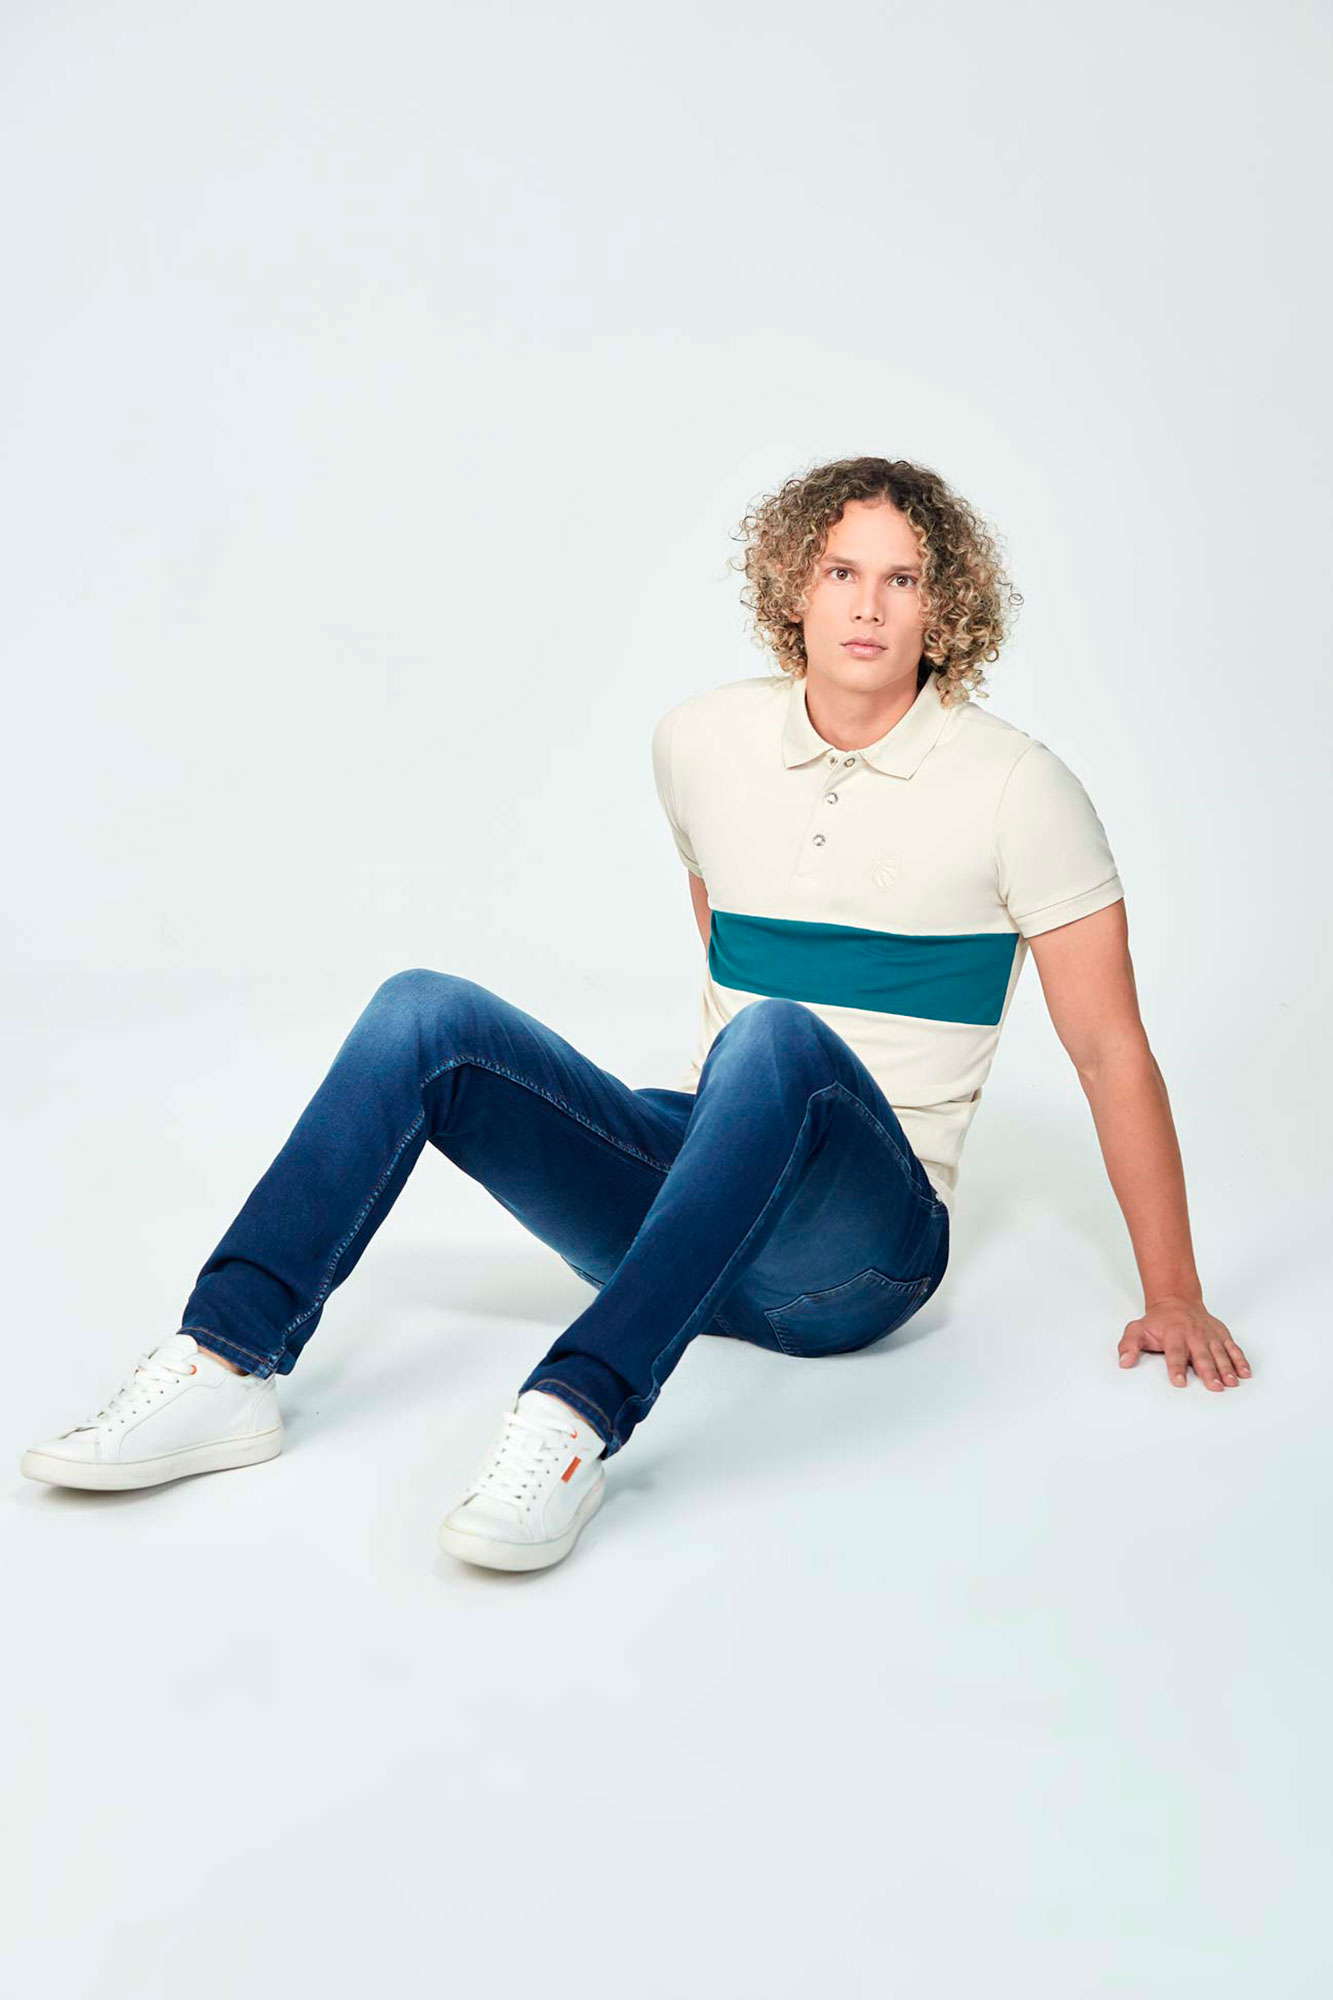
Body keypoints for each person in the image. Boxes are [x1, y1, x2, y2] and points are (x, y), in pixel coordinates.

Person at [20, 454, 1250, 1570]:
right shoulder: (699, 743)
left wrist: (1175, 1291)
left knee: (775, 1036)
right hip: (691, 1212)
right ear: (794, 587)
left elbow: (1110, 1051)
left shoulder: (1020, 789)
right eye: (840, 571)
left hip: (855, 1258)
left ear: (946, 608)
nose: (868, 606)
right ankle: (226, 1357)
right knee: (422, 1013)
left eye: (902, 578)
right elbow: (722, 936)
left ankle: (570, 1416)